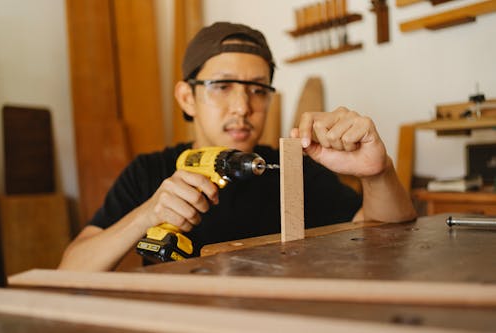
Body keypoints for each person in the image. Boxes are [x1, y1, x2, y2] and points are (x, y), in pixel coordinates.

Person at [58, 22, 416, 271]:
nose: (243, 107)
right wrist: (147, 215)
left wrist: (379, 173)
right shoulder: (148, 172)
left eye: (258, 90)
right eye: (223, 86)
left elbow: (387, 241)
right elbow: (69, 270)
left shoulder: (291, 168)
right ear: (187, 97)